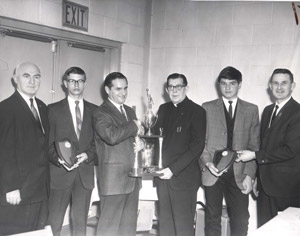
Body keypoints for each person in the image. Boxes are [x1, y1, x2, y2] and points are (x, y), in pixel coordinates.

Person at [199, 66, 260, 236]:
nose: (227, 87)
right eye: (223, 83)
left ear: (239, 85)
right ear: (219, 85)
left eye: (232, 83)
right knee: (212, 219)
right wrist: (207, 162)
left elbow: (254, 146)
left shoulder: (252, 110)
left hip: (239, 174)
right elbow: (201, 143)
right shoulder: (206, 108)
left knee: (241, 219)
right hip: (213, 172)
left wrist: (250, 174)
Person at [236, 68, 300, 227]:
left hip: (287, 187)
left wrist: (254, 156)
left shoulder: (297, 112)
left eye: (284, 83)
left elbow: (290, 150)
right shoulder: (267, 111)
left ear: (293, 86)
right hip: (265, 186)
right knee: (265, 228)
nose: (279, 87)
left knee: (286, 231)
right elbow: (264, 145)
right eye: (275, 83)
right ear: (270, 86)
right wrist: (257, 177)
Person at [154, 73, 206, 236]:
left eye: (179, 86)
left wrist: (173, 170)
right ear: (166, 89)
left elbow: (197, 146)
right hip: (163, 178)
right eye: (171, 87)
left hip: (183, 179)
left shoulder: (197, 111)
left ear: (186, 88)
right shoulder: (163, 109)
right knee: (165, 226)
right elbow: (156, 139)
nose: (174, 90)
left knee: (183, 228)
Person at [0, 62, 49, 235]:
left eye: (36, 76)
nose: (32, 81)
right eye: (26, 76)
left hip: (40, 189)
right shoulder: (5, 108)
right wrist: (10, 187)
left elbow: (43, 145)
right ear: (15, 79)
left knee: (35, 232)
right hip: (18, 191)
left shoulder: (43, 108)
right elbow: (3, 151)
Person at [93, 72, 144, 236]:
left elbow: (131, 136)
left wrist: (141, 143)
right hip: (113, 180)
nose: (123, 93)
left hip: (132, 178)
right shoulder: (100, 112)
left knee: (128, 228)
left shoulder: (129, 111)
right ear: (108, 90)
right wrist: (134, 125)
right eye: (118, 89)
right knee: (109, 228)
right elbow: (112, 136)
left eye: (126, 88)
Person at [47, 67, 97, 236]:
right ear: (65, 83)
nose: (76, 84)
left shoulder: (95, 111)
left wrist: (88, 155)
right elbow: (47, 144)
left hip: (84, 175)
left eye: (80, 81)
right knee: (54, 223)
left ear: (85, 83)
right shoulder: (52, 110)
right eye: (72, 81)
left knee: (80, 224)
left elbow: (99, 143)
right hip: (60, 174)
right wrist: (58, 159)